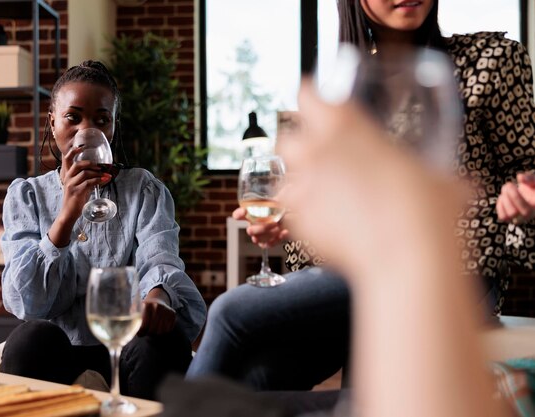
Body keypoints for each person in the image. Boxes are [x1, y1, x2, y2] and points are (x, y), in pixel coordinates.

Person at [187, 0, 535, 392]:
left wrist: (521, 200)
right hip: (353, 272)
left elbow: (526, 171)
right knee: (262, 377)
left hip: (454, 267)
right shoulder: (341, 89)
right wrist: (295, 223)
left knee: (233, 311)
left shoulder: (490, 61)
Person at [0, 60, 207, 400]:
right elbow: (25, 300)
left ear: (112, 127)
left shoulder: (142, 189)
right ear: (52, 123)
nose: (86, 130)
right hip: (58, 344)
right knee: (29, 339)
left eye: (101, 120)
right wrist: (66, 215)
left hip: (125, 342)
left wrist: (158, 296)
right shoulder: (28, 196)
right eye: (73, 117)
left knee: (163, 341)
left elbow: (161, 258)